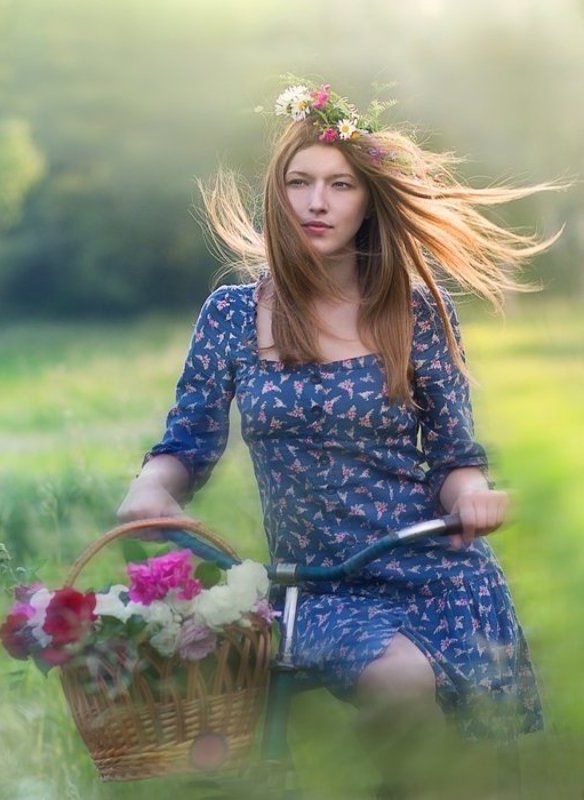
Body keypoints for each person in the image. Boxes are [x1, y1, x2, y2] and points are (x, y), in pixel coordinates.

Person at [117, 81, 567, 797]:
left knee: (477, 769)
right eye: (298, 183)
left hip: (432, 569)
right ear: (278, 194)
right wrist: (149, 488)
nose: (315, 203)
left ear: (368, 202)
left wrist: (473, 495)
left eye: (339, 186)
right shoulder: (235, 313)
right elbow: (187, 442)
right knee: (400, 681)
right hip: (320, 586)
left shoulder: (417, 309)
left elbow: (455, 457)